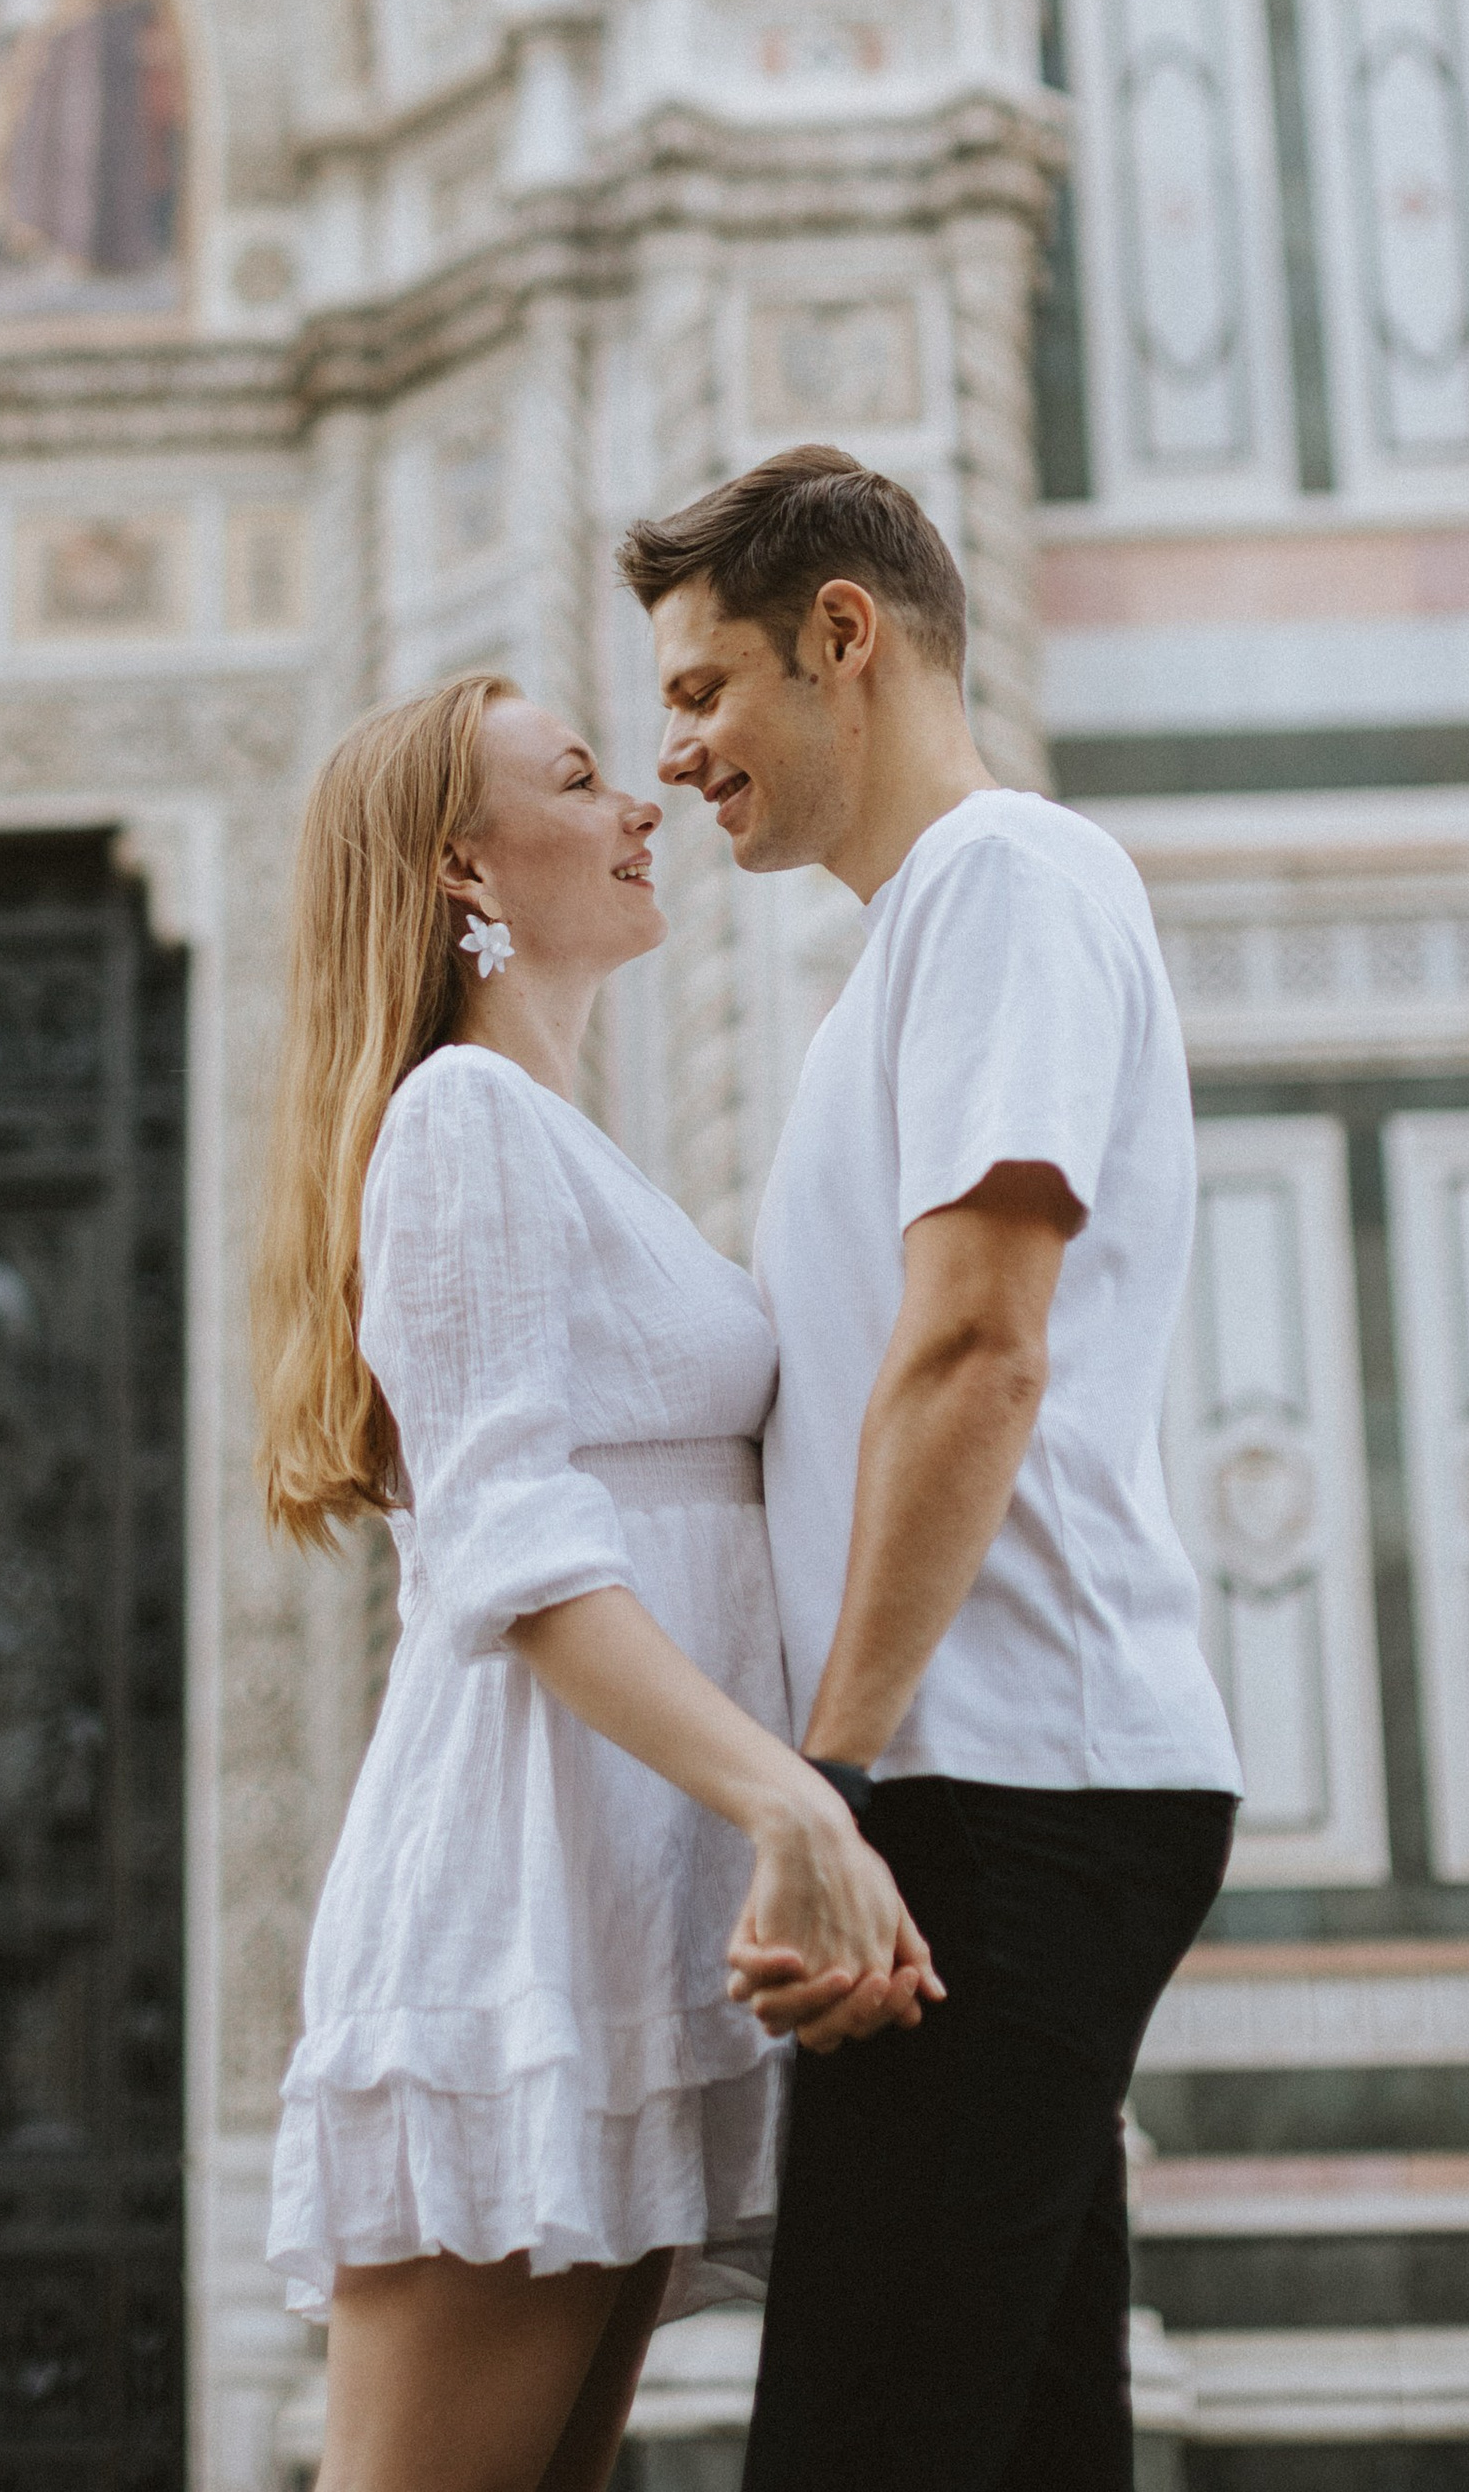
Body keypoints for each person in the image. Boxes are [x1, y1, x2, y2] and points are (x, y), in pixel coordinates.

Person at [619, 445, 1242, 2492]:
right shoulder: (911, 942)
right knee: (1012, 2444)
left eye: (701, 689)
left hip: (998, 1795)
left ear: (842, 638)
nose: (676, 749)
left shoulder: (1005, 880)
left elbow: (972, 1350)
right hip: (1010, 1798)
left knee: (864, 2451)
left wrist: (836, 1784)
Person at [253, 673, 934, 2492]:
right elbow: (511, 1543)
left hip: (631, 1902)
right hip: (526, 1907)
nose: (641, 802)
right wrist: (793, 1800)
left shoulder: (553, 1137)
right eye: (576, 779)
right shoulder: (461, 1120)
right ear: (463, 865)